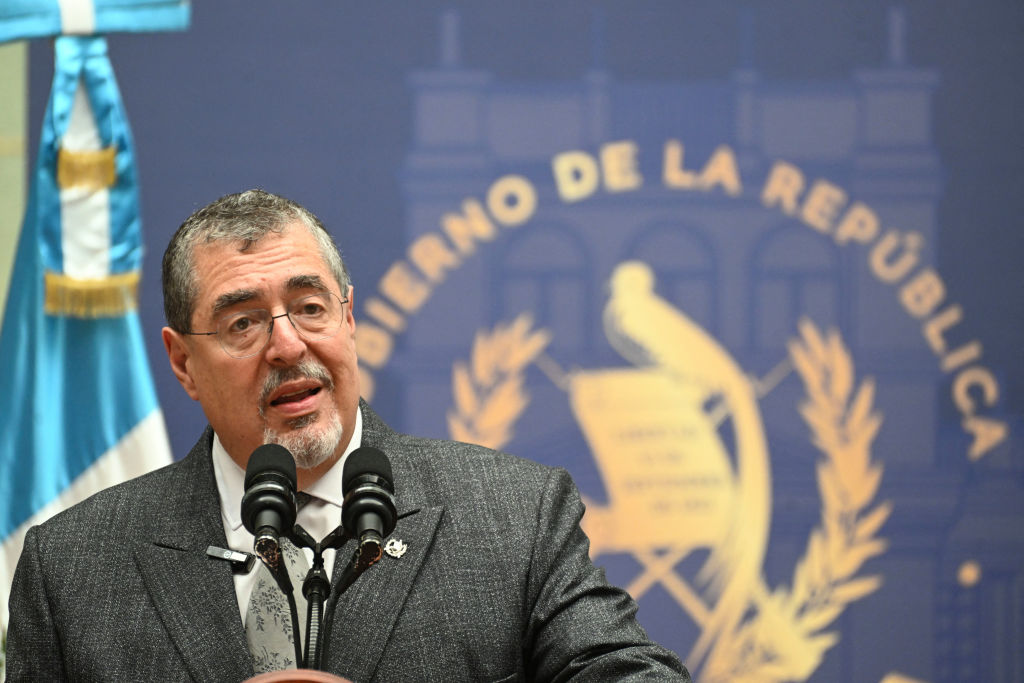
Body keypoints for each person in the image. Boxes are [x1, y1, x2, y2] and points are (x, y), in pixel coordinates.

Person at [6, 189, 690, 682]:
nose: (286, 344)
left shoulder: (514, 516)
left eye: (309, 307)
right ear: (183, 361)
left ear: (349, 318)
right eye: (243, 322)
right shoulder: (71, 566)